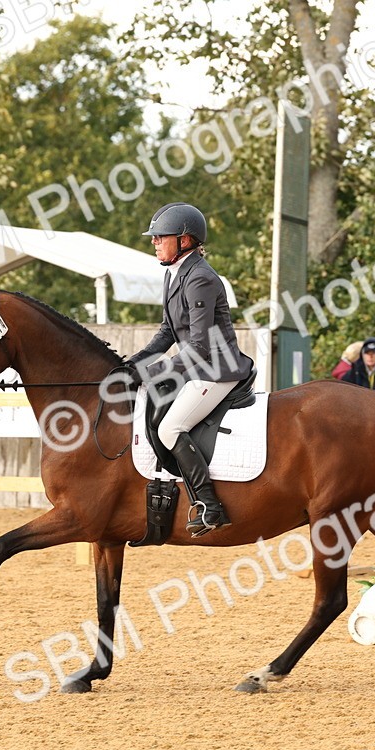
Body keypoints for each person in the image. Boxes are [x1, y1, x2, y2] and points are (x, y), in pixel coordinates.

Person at [122, 202, 254, 536]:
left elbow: (199, 346)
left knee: (170, 429)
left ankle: (210, 505)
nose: (153, 242)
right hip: (196, 367)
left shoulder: (201, 279)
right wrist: (134, 363)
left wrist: (156, 371)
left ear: (185, 240)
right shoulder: (174, 275)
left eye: (160, 237)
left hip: (217, 370)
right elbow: (167, 333)